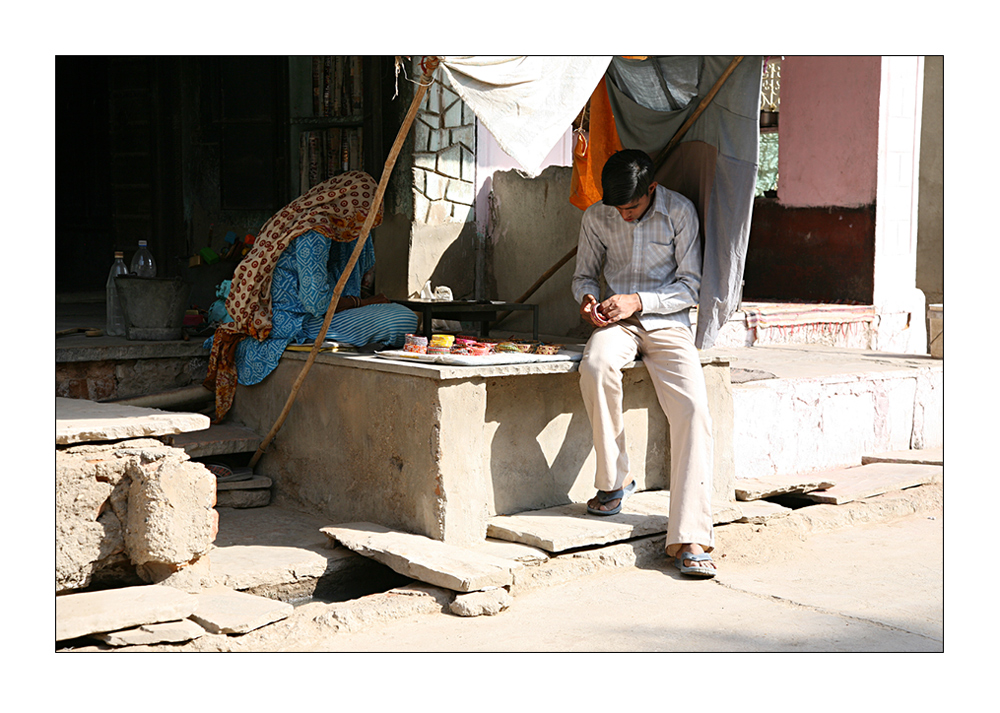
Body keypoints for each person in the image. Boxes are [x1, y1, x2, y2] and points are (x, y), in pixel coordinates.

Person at [572, 149, 717, 578]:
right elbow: (583, 275)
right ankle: (615, 482)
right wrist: (588, 301)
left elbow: (691, 286)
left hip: (668, 323)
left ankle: (691, 535)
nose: (625, 215)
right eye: (617, 208)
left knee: (693, 409)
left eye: (632, 207)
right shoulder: (598, 217)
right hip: (618, 324)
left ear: (651, 189)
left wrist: (640, 300)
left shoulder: (679, 212)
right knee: (595, 365)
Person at [204, 171, 417, 420]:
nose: (364, 224)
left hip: (310, 315)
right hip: (293, 322)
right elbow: (317, 303)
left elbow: (360, 267)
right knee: (402, 319)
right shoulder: (313, 233)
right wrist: (364, 303)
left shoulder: (332, 226)